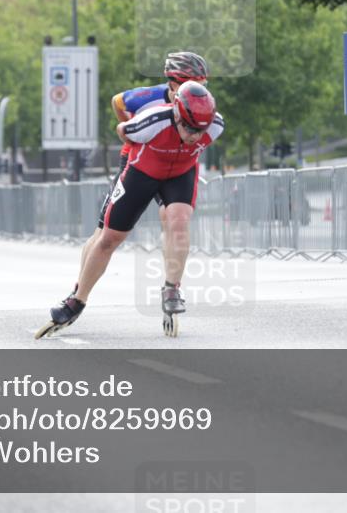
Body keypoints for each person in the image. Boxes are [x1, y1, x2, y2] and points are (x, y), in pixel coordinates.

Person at [37, 81, 224, 338]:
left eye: (199, 130)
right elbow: (122, 129)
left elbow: (198, 134)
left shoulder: (214, 126)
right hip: (142, 172)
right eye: (189, 127)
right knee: (109, 239)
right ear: (177, 113)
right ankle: (77, 300)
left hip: (179, 174)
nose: (194, 135)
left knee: (178, 220)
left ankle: (172, 288)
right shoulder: (152, 121)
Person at [74, 51, 210, 295]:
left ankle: (171, 285)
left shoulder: (198, 102)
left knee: (173, 217)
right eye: (193, 83)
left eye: (202, 85)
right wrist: (135, 131)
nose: (199, 90)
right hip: (138, 160)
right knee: (103, 231)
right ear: (173, 82)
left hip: (172, 162)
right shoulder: (150, 96)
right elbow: (118, 101)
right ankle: (79, 288)